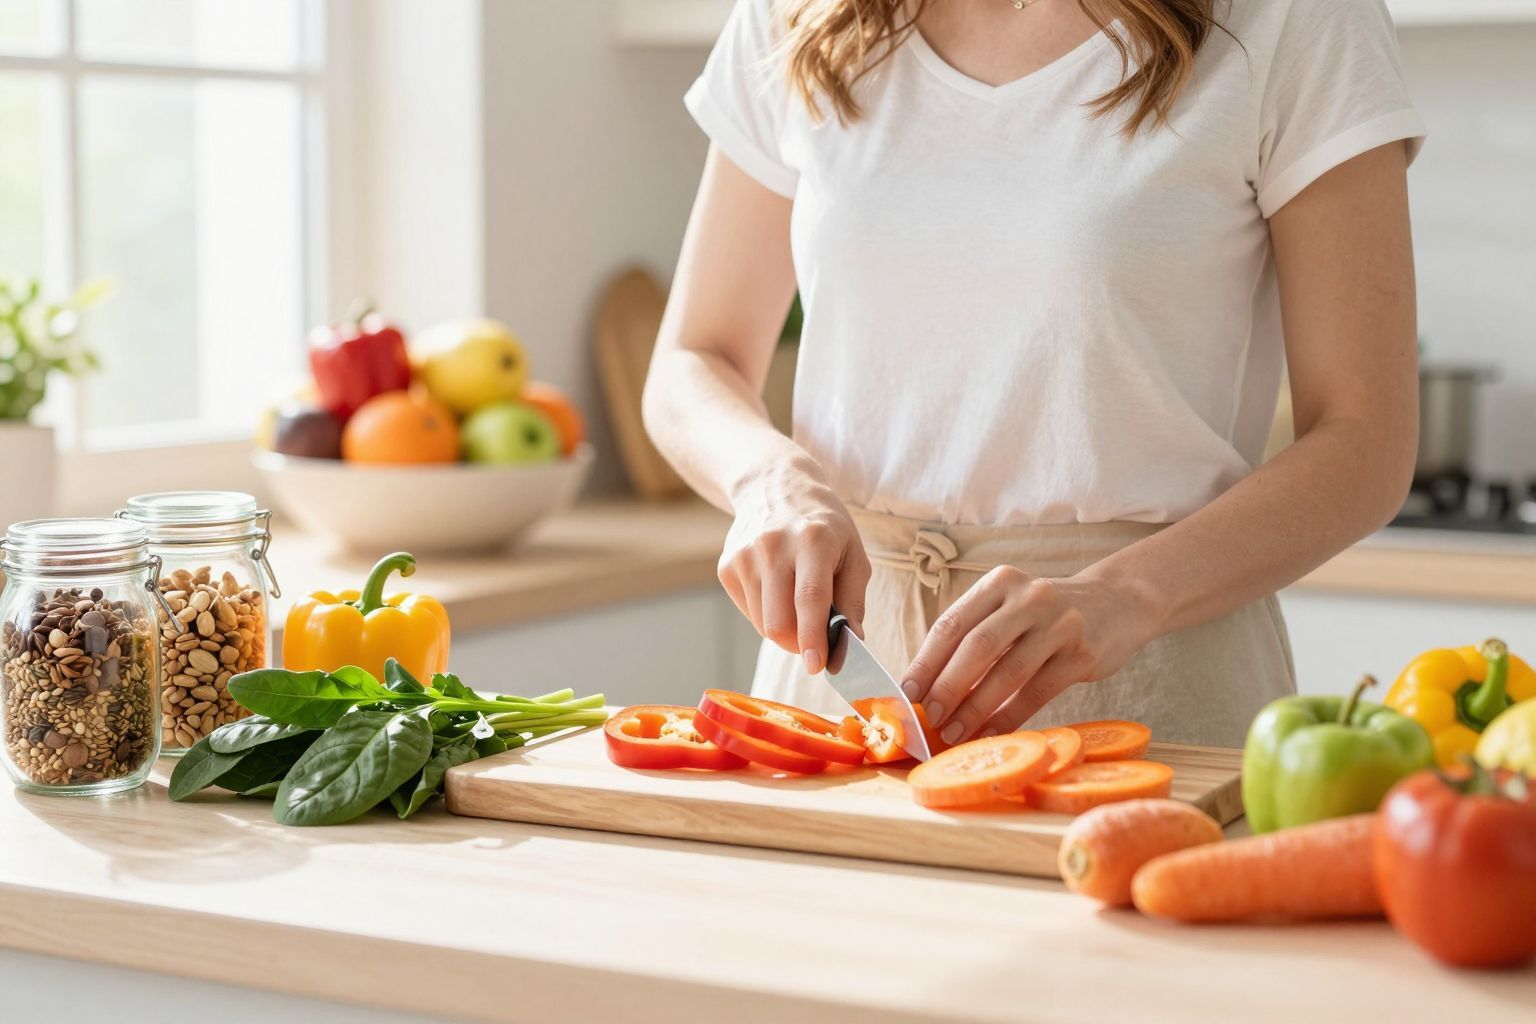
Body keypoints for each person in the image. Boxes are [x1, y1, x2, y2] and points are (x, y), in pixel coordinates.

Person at [643, 0, 1423, 748]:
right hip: (839, 669)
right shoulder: (797, 12)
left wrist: (1122, 598)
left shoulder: (1296, 16)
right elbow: (693, 359)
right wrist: (767, 481)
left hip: (1143, 679)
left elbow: (1366, 439)